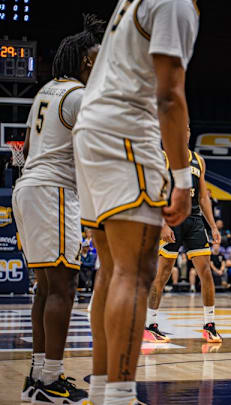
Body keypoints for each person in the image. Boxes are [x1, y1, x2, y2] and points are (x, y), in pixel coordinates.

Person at [73, 1, 199, 403]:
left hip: (91, 130)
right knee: (133, 274)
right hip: (125, 133)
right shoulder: (174, 3)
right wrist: (182, 179)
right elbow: (168, 95)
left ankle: (102, 390)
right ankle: (121, 396)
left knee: (110, 273)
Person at [11, 15, 104, 403]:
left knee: (45, 288)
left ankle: (37, 376)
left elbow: (26, 152)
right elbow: (99, 147)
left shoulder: (46, 92)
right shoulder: (80, 96)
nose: (104, 62)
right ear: (86, 60)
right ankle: (50, 381)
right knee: (64, 287)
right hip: (54, 192)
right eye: (100, 55)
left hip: (27, 188)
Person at [145, 129, 222, 344]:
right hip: (171, 219)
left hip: (195, 220)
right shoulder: (162, 156)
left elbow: (203, 196)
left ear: (188, 132)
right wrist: (161, 223)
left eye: (185, 128)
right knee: (163, 273)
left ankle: (209, 325)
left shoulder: (198, 160)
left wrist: (213, 226)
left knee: (205, 272)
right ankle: (150, 325)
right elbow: (153, 191)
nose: (182, 132)